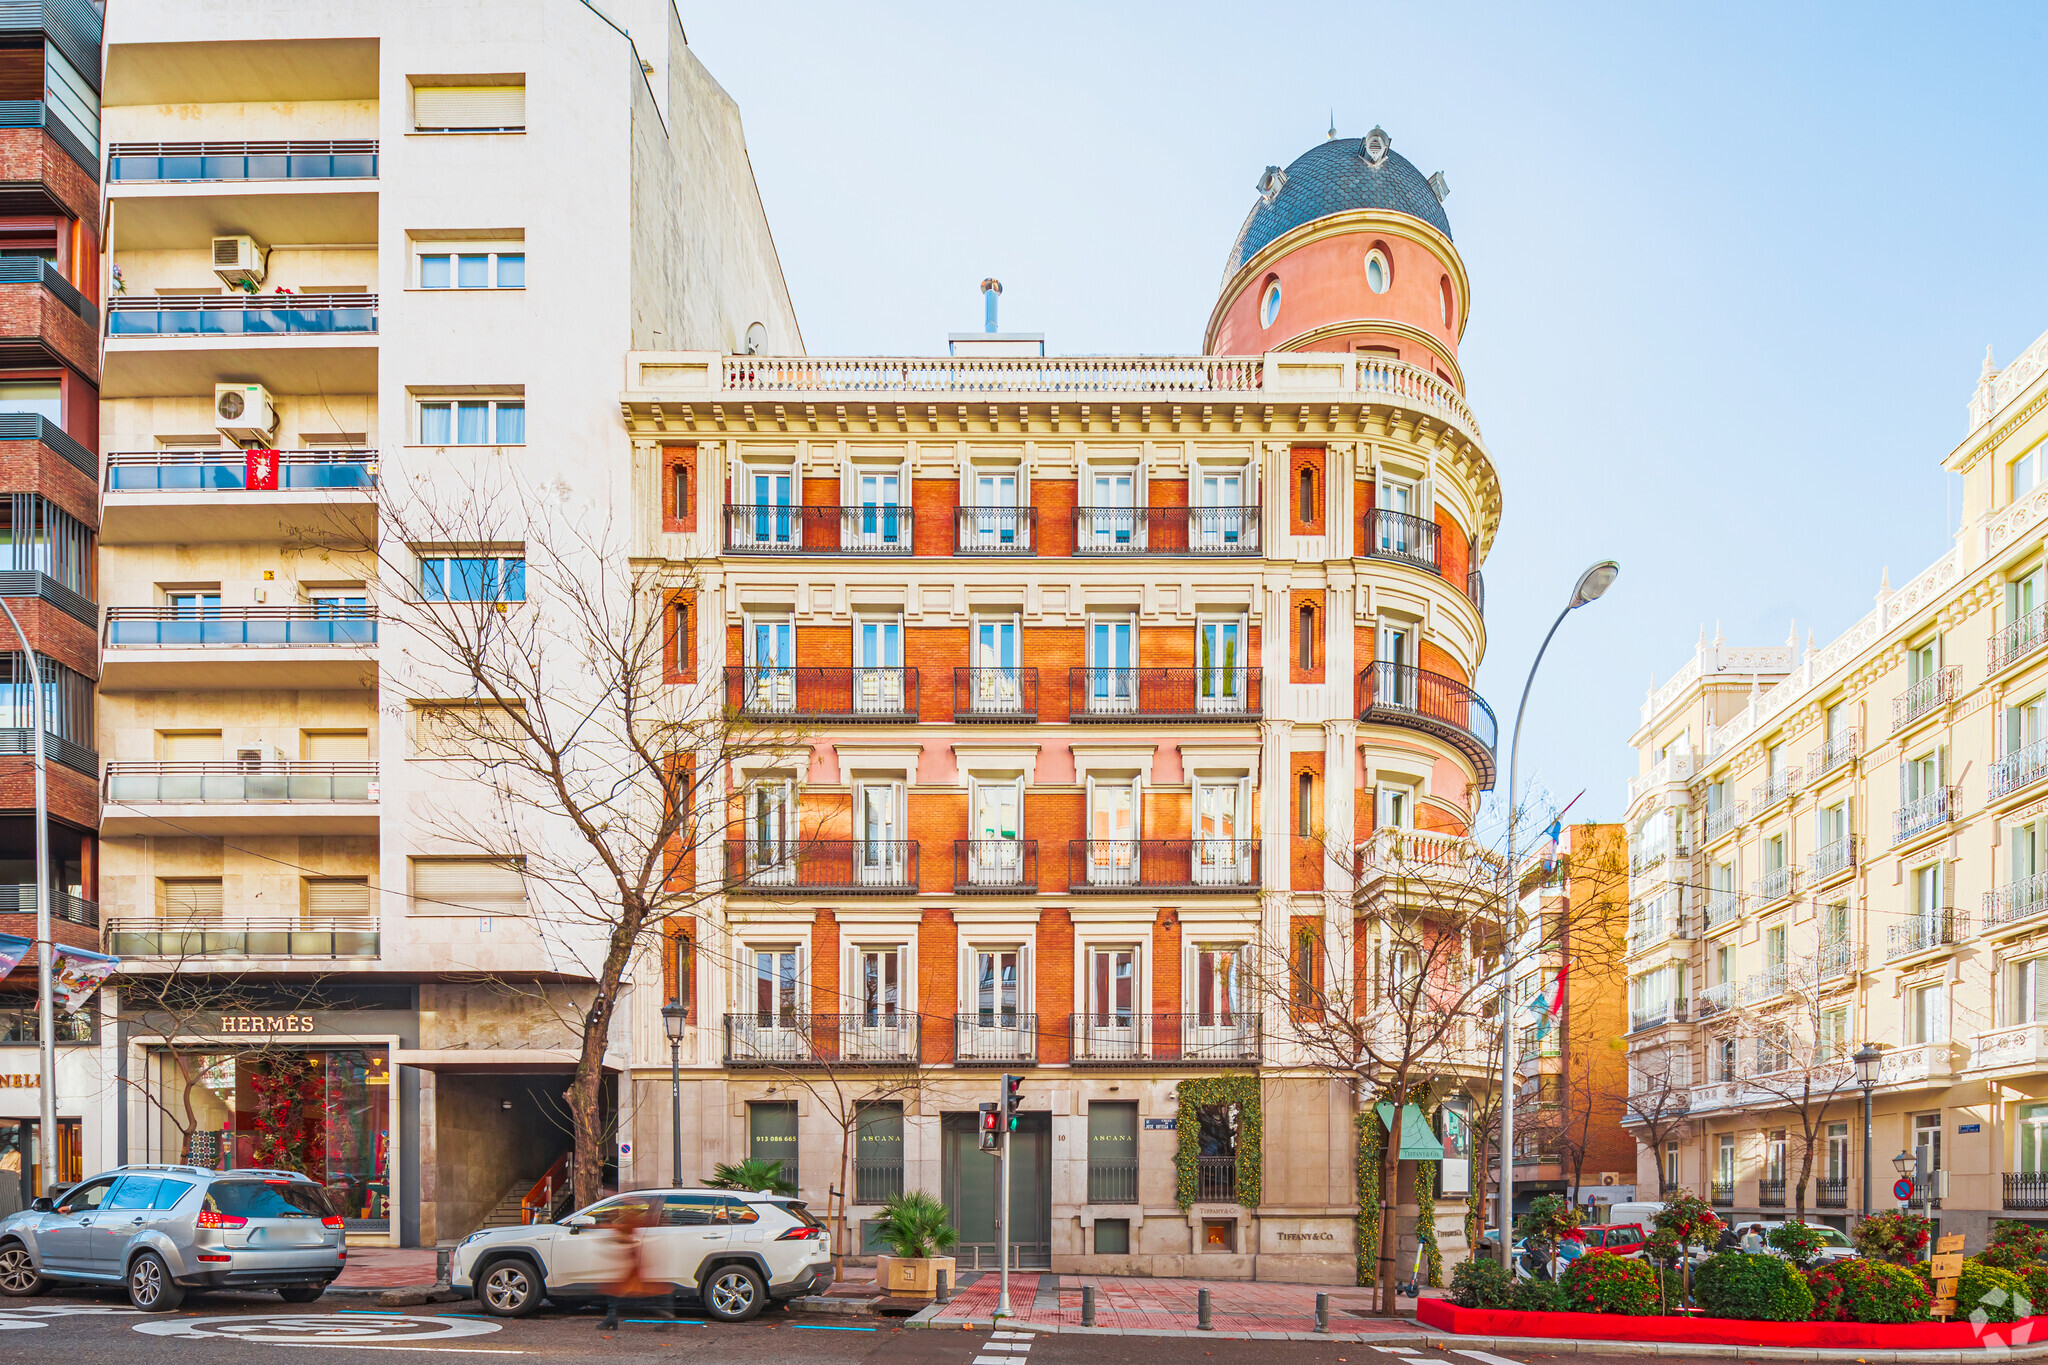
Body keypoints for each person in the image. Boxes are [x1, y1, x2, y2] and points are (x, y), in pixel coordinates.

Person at [596, 1200, 674, 1332]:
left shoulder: (632, 1219)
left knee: (636, 1293)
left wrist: (614, 1238)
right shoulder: (635, 1218)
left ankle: (669, 1319)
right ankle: (611, 1318)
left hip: (633, 1263)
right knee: (619, 1290)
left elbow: (628, 1237)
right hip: (632, 1262)